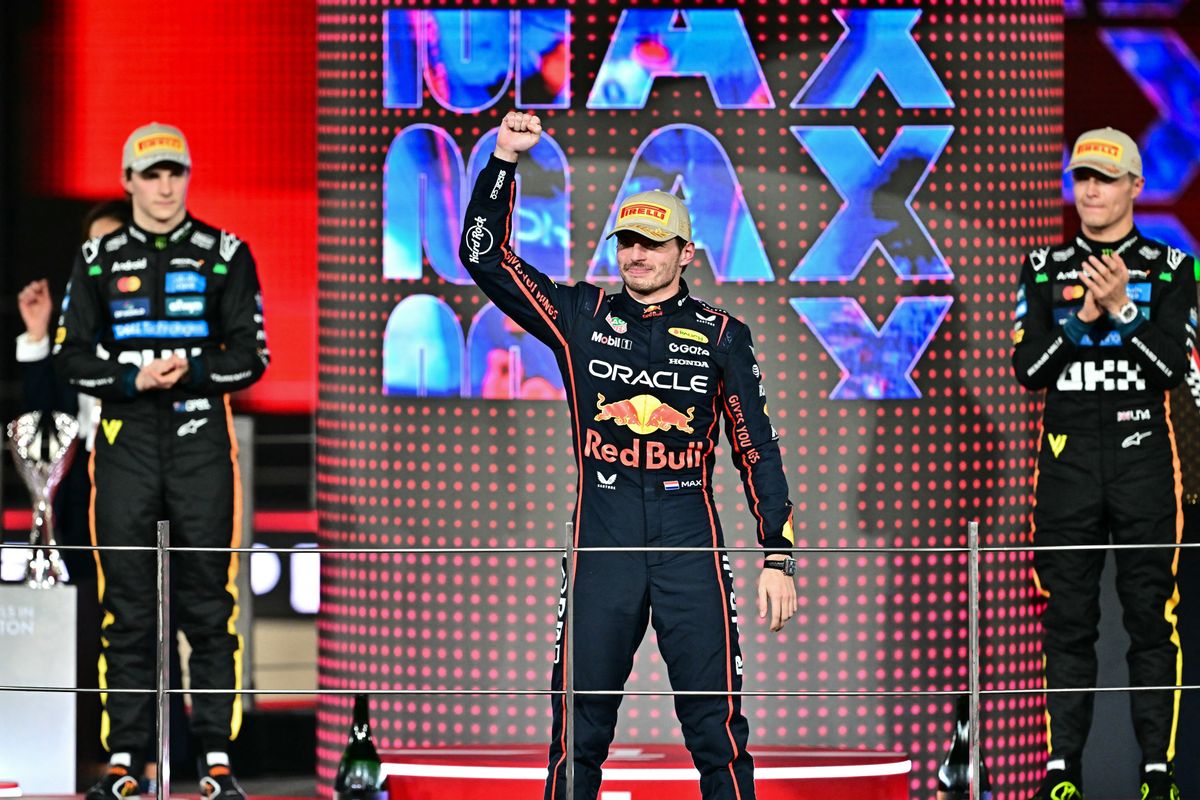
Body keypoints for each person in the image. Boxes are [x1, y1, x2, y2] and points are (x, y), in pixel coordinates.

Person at [460, 111, 797, 800]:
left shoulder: (723, 336)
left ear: (686, 254)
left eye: (652, 243)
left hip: (688, 541)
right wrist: (502, 161)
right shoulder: (579, 316)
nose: (636, 254)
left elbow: (755, 447)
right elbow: (483, 256)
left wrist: (778, 554)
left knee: (718, 729)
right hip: (603, 538)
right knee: (576, 732)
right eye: (627, 242)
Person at [54, 122, 269, 800]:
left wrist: (194, 371)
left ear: (189, 176)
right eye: (150, 175)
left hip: (202, 442)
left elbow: (254, 356)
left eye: (174, 171)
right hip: (124, 445)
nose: (165, 185)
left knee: (208, 602)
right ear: (127, 182)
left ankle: (216, 760)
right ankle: (125, 759)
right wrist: (133, 382)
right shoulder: (95, 259)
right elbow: (71, 356)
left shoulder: (226, 254)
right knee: (129, 606)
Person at [1012, 127, 1195, 800]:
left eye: (1106, 177)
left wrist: (1121, 306)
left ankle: (1158, 774)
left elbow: (1172, 367)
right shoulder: (1041, 268)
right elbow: (1029, 371)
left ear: (1135, 188)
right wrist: (1085, 313)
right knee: (1067, 618)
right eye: (1082, 175)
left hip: (1146, 455)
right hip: (1065, 465)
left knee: (1152, 615)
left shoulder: (1174, 268)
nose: (1090, 188)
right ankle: (1062, 772)